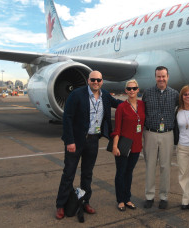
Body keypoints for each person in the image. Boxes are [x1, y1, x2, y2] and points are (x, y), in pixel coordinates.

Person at [55, 70, 122, 219]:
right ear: (88, 80)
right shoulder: (77, 94)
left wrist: (135, 102)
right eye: (93, 80)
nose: (96, 82)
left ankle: (85, 201)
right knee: (69, 173)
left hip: (93, 140)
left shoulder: (104, 95)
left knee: (87, 174)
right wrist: (69, 141)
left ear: (102, 81)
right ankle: (61, 205)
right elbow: (68, 118)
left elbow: (118, 104)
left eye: (98, 80)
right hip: (76, 141)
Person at [142, 66, 179, 209]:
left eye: (163, 76)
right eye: (158, 76)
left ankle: (164, 197)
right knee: (150, 166)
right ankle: (149, 196)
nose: (161, 79)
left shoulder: (174, 94)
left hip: (167, 135)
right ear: (155, 77)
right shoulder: (148, 93)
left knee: (165, 167)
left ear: (168, 77)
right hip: (150, 133)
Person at [110, 79, 145, 212]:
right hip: (123, 145)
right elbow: (117, 129)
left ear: (138, 90)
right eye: (129, 89)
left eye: (134, 88)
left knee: (129, 173)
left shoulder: (142, 105)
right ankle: (120, 200)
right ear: (125, 90)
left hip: (136, 146)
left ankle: (127, 198)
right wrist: (115, 146)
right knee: (121, 173)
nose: (131, 91)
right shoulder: (121, 107)